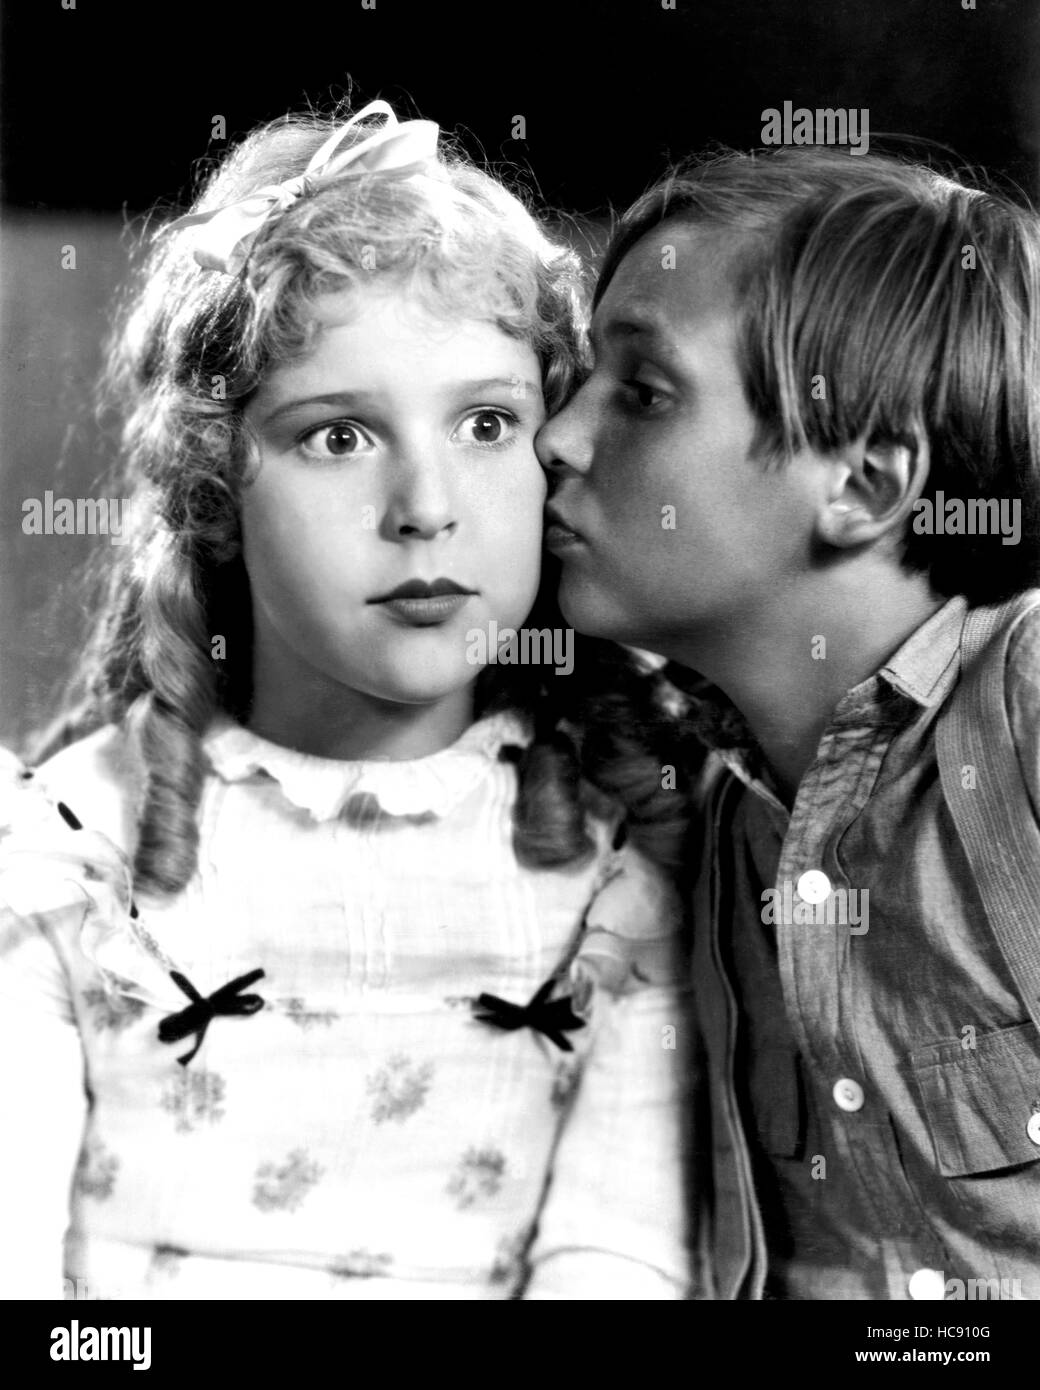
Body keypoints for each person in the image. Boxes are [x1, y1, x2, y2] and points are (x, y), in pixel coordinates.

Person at [0, 101, 694, 1301]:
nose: (425, 503)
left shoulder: (619, 865)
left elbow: (618, 1257)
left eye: (486, 423)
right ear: (215, 482)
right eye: (337, 437)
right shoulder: (64, 847)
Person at [537, 146, 1040, 1300]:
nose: (555, 437)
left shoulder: (1015, 708)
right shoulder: (720, 828)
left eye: (643, 391)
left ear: (862, 486)